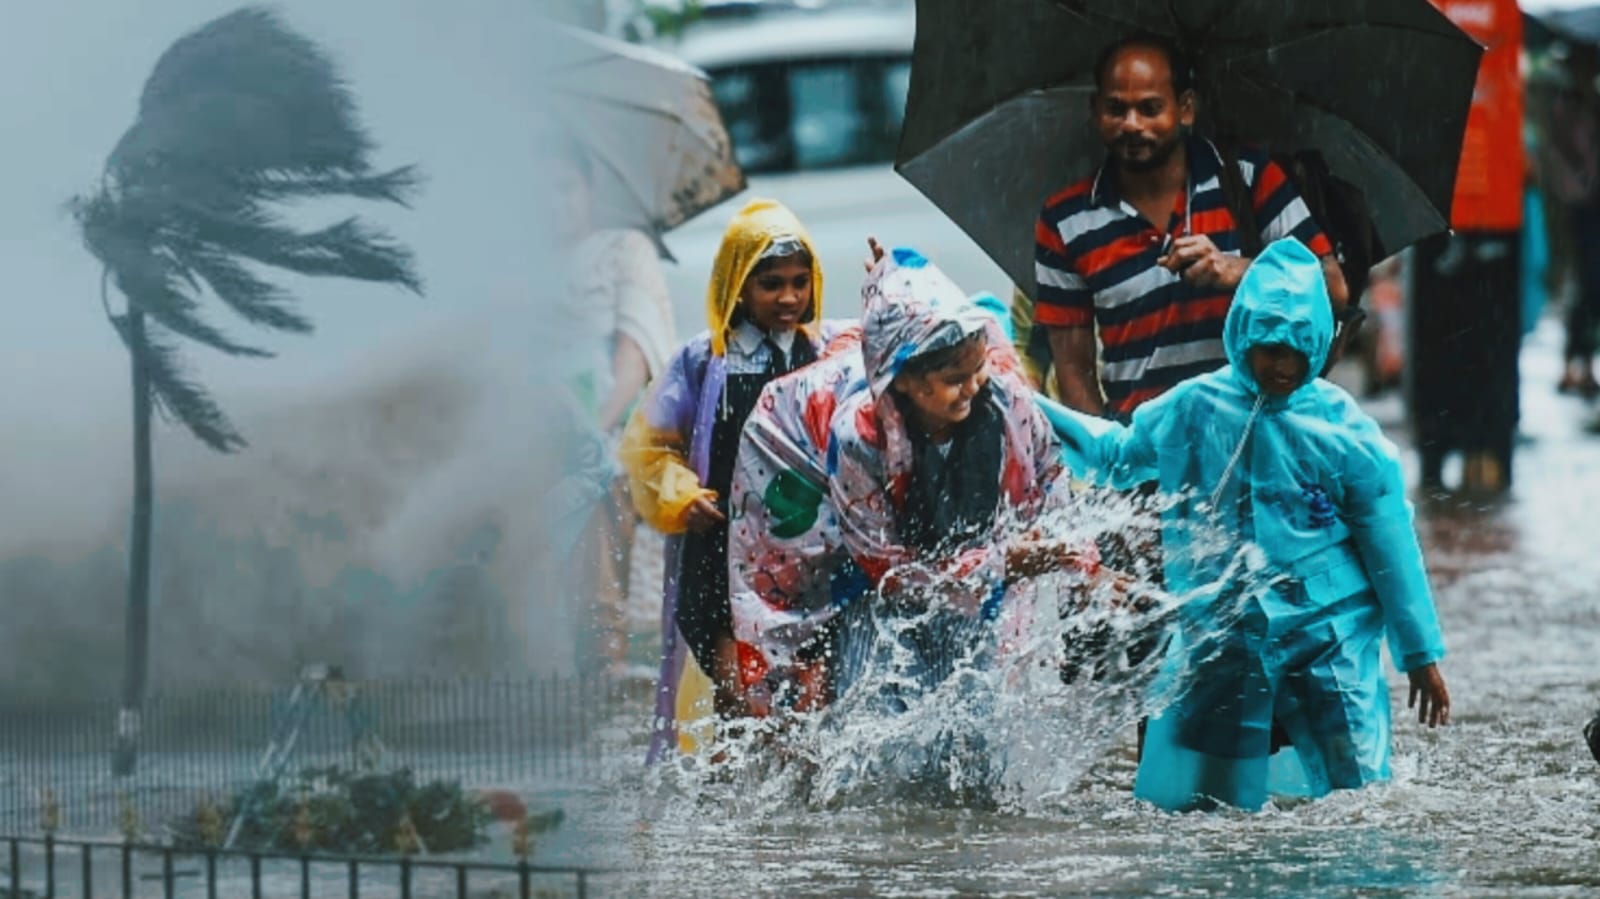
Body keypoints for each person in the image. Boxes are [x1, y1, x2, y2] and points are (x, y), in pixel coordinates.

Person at [1039, 238, 1451, 812]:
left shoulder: (1346, 434)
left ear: (1318, 343)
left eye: (1295, 350)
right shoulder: (1196, 407)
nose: (1281, 366)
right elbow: (1118, 453)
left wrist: (1420, 656)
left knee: (1360, 797)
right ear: (1241, 337)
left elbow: (1391, 544)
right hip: (1225, 629)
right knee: (1200, 808)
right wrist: (1029, 405)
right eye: (1267, 350)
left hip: (1326, 632)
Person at [620, 198, 845, 761]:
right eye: (771, 284)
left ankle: (788, 821)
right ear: (737, 286)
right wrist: (682, 496)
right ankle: (729, 810)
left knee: (807, 707)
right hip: (717, 556)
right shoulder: (702, 362)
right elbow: (649, 447)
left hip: (802, 560)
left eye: (799, 283)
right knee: (739, 698)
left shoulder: (823, 356)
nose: (788, 298)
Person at [828, 247, 1102, 695]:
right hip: (872, 594)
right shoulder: (859, 441)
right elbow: (887, 570)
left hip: (977, 583)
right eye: (955, 380)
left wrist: (1078, 563)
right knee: (876, 723)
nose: (973, 388)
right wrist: (1001, 564)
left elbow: (1050, 475)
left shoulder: (1006, 400)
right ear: (903, 380)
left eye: (979, 370)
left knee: (972, 727)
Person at [1033, 33, 1347, 422]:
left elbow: (1332, 288)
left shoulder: (1249, 180)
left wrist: (1239, 271)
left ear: (1185, 108)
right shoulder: (1064, 220)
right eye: (1117, 108)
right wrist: (1110, 461)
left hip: (1259, 447)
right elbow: (1072, 370)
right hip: (1146, 463)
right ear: (1095, 109)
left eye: (1150, 108)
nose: (1132, 124)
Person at [542, 138, 677, 677]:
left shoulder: (624, 249)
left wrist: (590, 427)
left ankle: (603, 651)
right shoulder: (515, 273)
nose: (552, 204)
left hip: (616, 425)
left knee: (595, 475)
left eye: (563, 188)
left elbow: (636, 357)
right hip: (536, 429)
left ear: (589, 191)